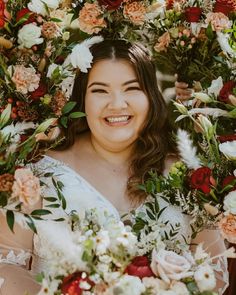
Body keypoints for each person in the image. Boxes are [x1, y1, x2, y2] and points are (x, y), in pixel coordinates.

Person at [0, 39, 228, 294]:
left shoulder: (189, 175)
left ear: (150, 95)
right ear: (82, 99)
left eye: (131, 88)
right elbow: (6, 264)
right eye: (100, 90)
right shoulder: (35, 176)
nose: (117, 104)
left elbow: (214, 266)